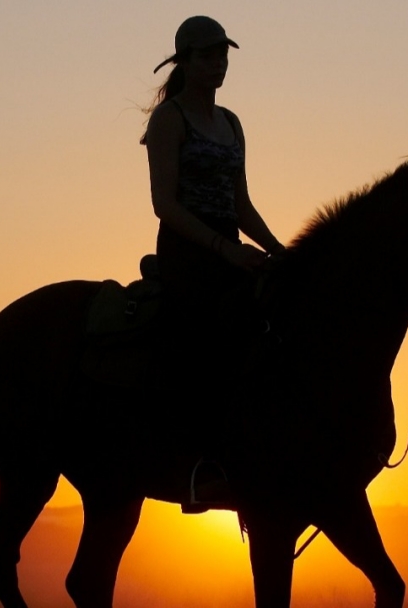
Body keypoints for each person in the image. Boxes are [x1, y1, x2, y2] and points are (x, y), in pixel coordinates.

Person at [141, 16, 285, 511]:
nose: (219, 63)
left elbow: (240, 203)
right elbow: (166, 204)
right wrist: (225, 250)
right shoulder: (169, 120)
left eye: (223, 54)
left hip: (230, 245)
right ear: (184, 61)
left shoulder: (232, 123)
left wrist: (282, 252)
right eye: (207, 55)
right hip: (188, 250)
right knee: (210, 336)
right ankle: (204, 463)